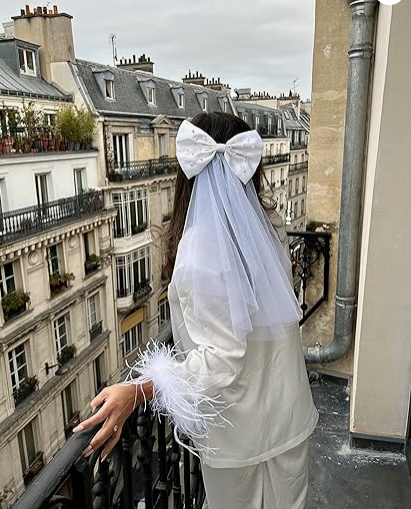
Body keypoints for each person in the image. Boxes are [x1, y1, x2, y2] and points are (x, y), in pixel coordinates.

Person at [74, 112, 318, 509]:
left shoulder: (200, 254)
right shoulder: (268, 227)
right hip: (288, 417)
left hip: (239, 439)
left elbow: (221, 360)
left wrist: (139, 389)